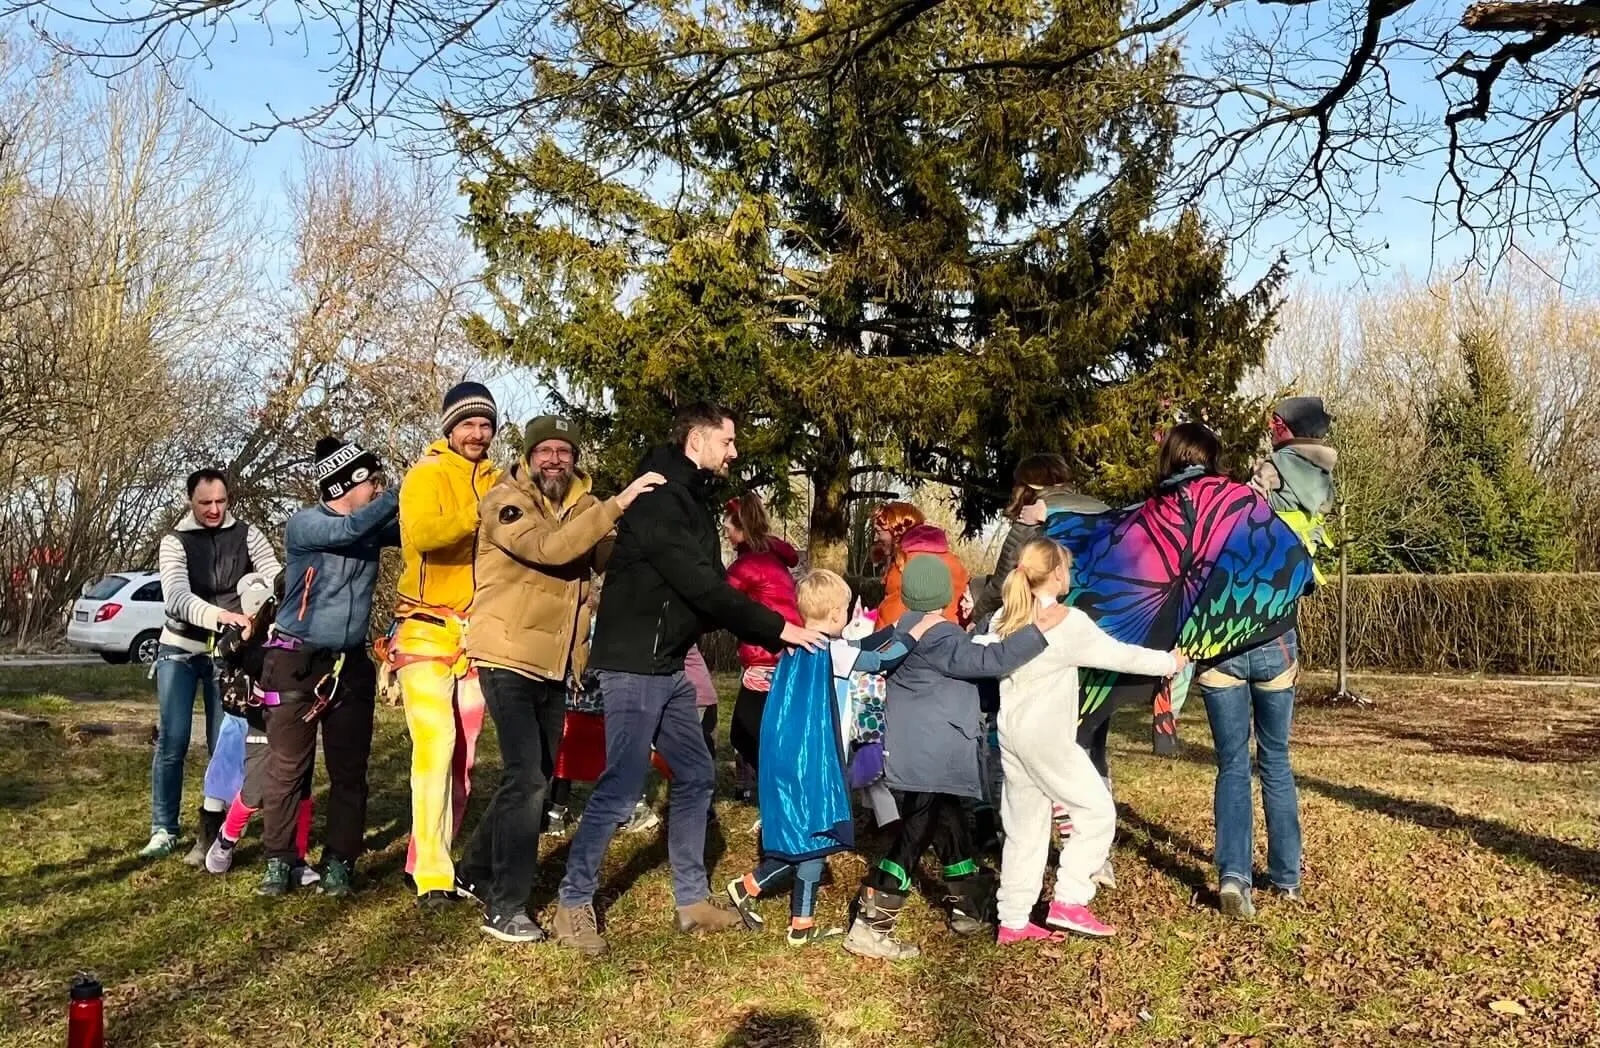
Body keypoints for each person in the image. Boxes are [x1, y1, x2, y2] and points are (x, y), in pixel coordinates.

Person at [551, 402, 825, 957]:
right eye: (727, 440)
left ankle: (692, 901)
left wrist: (764, 627)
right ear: (696, 441)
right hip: (636, 663)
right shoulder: (660, 498)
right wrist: (780, 629)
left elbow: (708, 592)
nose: (734, 451)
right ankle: (572, 901)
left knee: (697, 774)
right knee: (621, 783)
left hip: (670, 661)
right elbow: (701, 585)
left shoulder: (692, 498)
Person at [454, 414, 663, 941]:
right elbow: (550, 549)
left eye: (564, 452)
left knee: (536, 775)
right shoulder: (505, 501)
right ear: (528, 457)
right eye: (545, 451)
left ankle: (474, 869)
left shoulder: (586, 508)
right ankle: (506, 906)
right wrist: (617, 505)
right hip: (506, 655)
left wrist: (645, 524)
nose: (554, 460)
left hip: (555, 664)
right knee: (528, 776)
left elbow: (609, 557)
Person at [844, 554, 1065, 961]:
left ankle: (969, 906)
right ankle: (871, 923)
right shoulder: (942, 636)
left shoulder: (905, 627)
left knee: (948, 822)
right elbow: (990, 661)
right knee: (915, 835)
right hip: (934, 753)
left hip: (915, 751)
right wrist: (1039, 631)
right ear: (945, 594)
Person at [726, 570, 935, 946]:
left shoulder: (799, 646)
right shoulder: (831, 652)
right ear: (837, 613)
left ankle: (766, 901)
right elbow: (881, 660)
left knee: (804, 838)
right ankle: (784, 914)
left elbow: (862, 644)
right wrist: (916, 632)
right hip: (814, 760)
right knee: (816, 837)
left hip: (788, 755)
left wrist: (894, 627)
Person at [989, 539, 1184, 943]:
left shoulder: (1003, 618)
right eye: (1068, 568)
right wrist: (1170, 662)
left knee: (1024, 827)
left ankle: (1013, 919)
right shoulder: (1066, 622)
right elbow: (1120, 656)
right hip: (1048, 739)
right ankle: (1071, 899)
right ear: (1057, 574)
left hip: (1010, 734)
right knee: (1096, 812)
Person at [256, 436, 400, 897]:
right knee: (287, 768)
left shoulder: (371, 526)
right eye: (373, 481)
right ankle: (279, 859)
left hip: (351, 664)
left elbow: (420, 532)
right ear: (347, 483)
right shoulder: (306, 525)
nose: (379, 489)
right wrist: (404, 492)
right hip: (295, 661)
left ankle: (340, 859)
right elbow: (348, 531)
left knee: (350, 770)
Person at [390, 382, 503, 911]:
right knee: (435, 746)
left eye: (486, 425)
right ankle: (434, 874)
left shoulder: (501, 481)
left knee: (464, 759)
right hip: (424, 629)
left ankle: (424, 857)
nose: (478, 434)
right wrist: (482, 513)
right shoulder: (426, 475)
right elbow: (424, 535)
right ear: (450, 428)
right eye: (468, 424)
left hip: (477, 633)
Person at [1207, 413, 1322, 919]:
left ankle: (1234, 876)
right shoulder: (1306, 511)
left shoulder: (1229, 509)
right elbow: (1306, 581)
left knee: (1232, 763)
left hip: (1223, 645)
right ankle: (1287, 879)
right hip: (1276, 644)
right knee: (1275, 759)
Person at [142, 469, 281, 861]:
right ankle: (164, 828)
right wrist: (223, 617)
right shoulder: (174, 541)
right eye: (205, 503)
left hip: (229, 656)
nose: (215, 509)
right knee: (173, 741)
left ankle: (219, 832)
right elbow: (177, 598)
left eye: (221, 501)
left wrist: (269, 605)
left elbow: (275, 578)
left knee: (224, 744)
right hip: (180, 650)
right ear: (191, 501)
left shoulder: (250, 535)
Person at [724, 493, 802, 812]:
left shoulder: (747, 565)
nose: (726, 534)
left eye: (728, 528)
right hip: (785, 654)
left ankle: (782, 790)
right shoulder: (773, 558)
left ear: (741, 527)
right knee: (763, 729)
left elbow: (718, 600)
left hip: (765, 654)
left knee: (746, 732)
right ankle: (779, 789)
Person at [1251, 396, 1337, 581]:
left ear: (1293, 427)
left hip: (1269, 560)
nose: (1270, 426)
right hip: (1302, 557)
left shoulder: (1275, 466)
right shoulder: (1323, 469)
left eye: (1276, 422)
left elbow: (1246, 506)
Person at [872, 503, 970, 626]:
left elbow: (889, 620)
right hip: (952, 635)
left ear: (896, 530)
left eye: (878, 532)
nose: (875, 538)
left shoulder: (903, 565)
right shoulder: (953, 561)